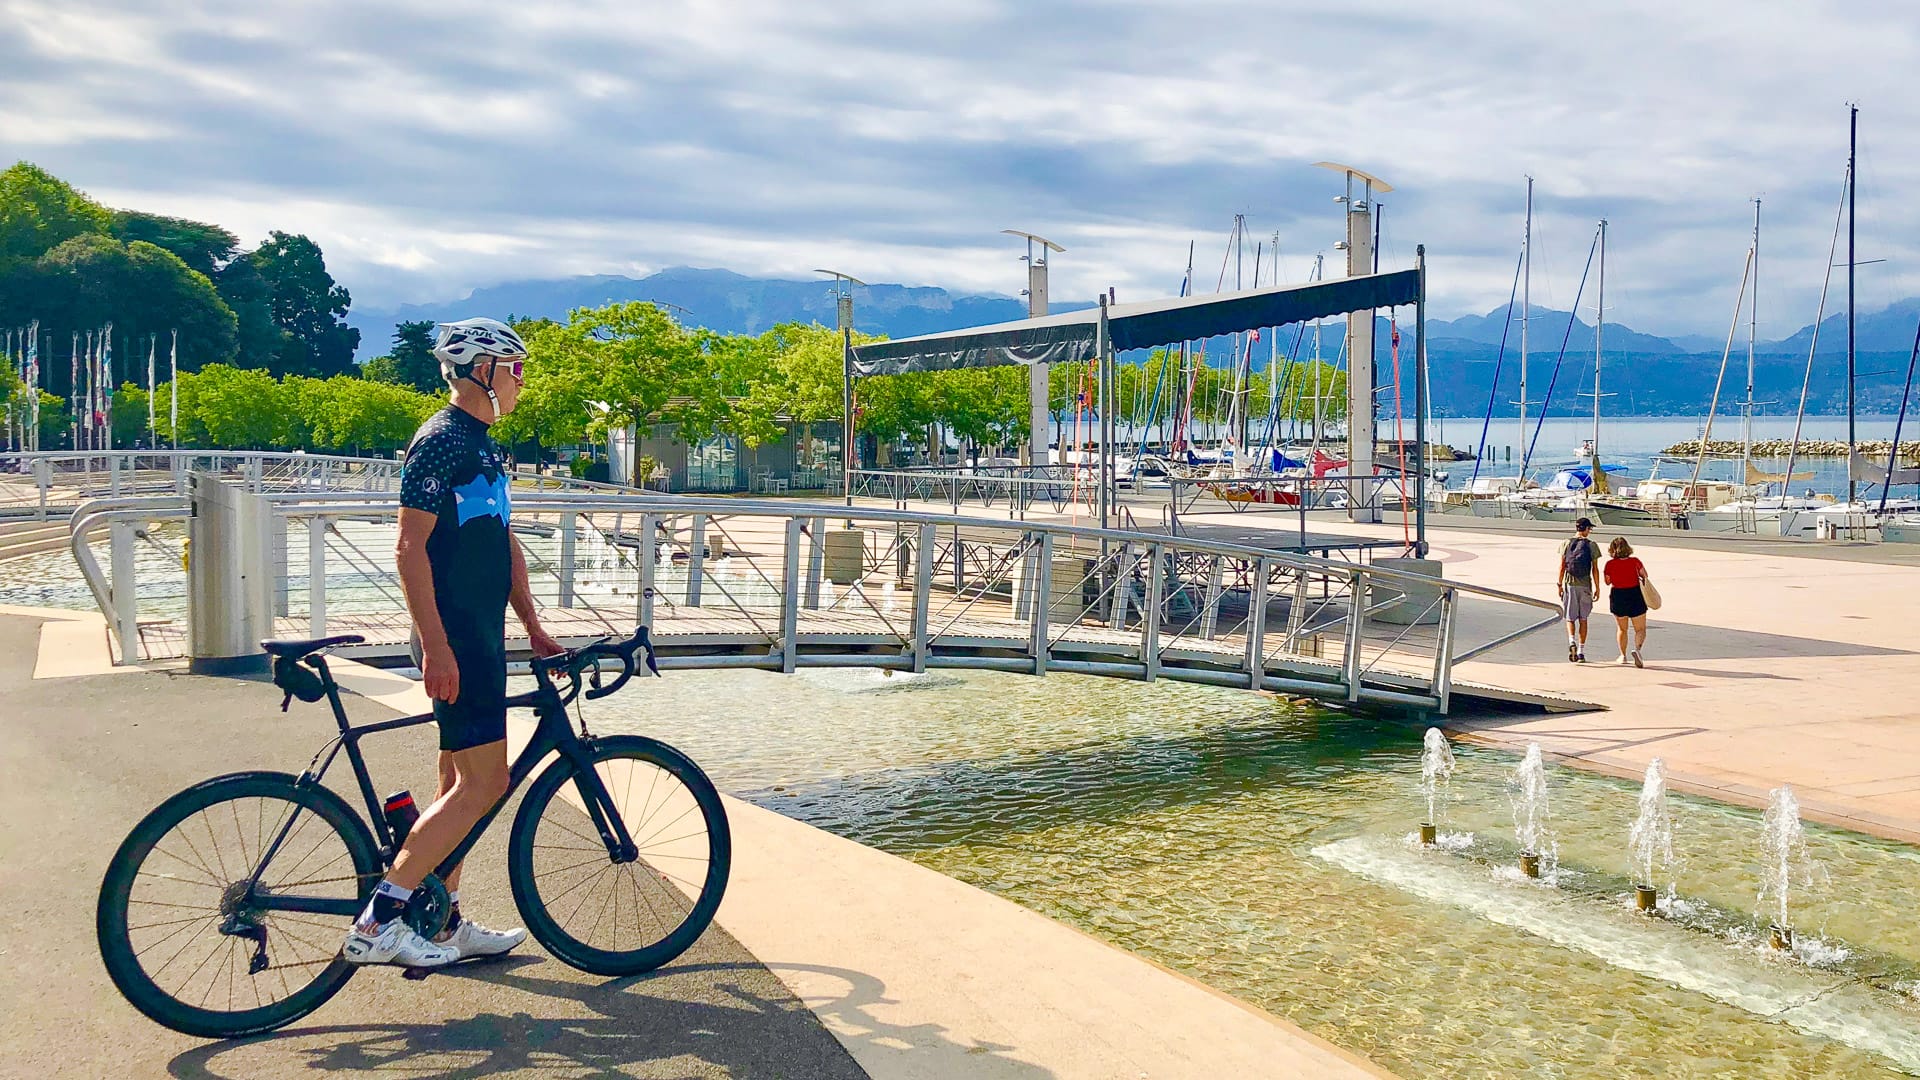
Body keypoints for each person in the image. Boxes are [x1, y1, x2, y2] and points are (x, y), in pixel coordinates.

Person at [340, 317, 565, 968]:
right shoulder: (439, 441)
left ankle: (443, 921)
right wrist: (437, 647)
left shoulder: (484, 444)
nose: (523, 381)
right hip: (456, 635)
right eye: (516, 368)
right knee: (484, 782)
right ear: (482, 371)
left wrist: (532, 626)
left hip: (481, 632)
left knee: (454, 780)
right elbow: (409, 549)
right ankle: (380, 921)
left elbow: (502, 541)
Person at [1554, 517, 1602, 663]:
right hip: (1585, 585)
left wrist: (1559, 584)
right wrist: (1597, 587)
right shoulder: (1592, 545)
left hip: (1569, 584)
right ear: (1586, 529)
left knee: (1569, 617)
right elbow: (1595, 569)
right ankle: (1581, 651)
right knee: (1583, 618)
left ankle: (1571, 641)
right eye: (1589, 528)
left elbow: (1562, 566)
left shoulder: (1566, 543)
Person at [1604, 536, 1651, 668]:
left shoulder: (1610, 564)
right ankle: (1637, 649)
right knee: (1640, 629)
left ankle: (1622, 655)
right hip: (1635, 594)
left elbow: (1607, 581)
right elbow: (1645, 575)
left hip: (1618, 596)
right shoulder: (1635, 562)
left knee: (1622, 628)